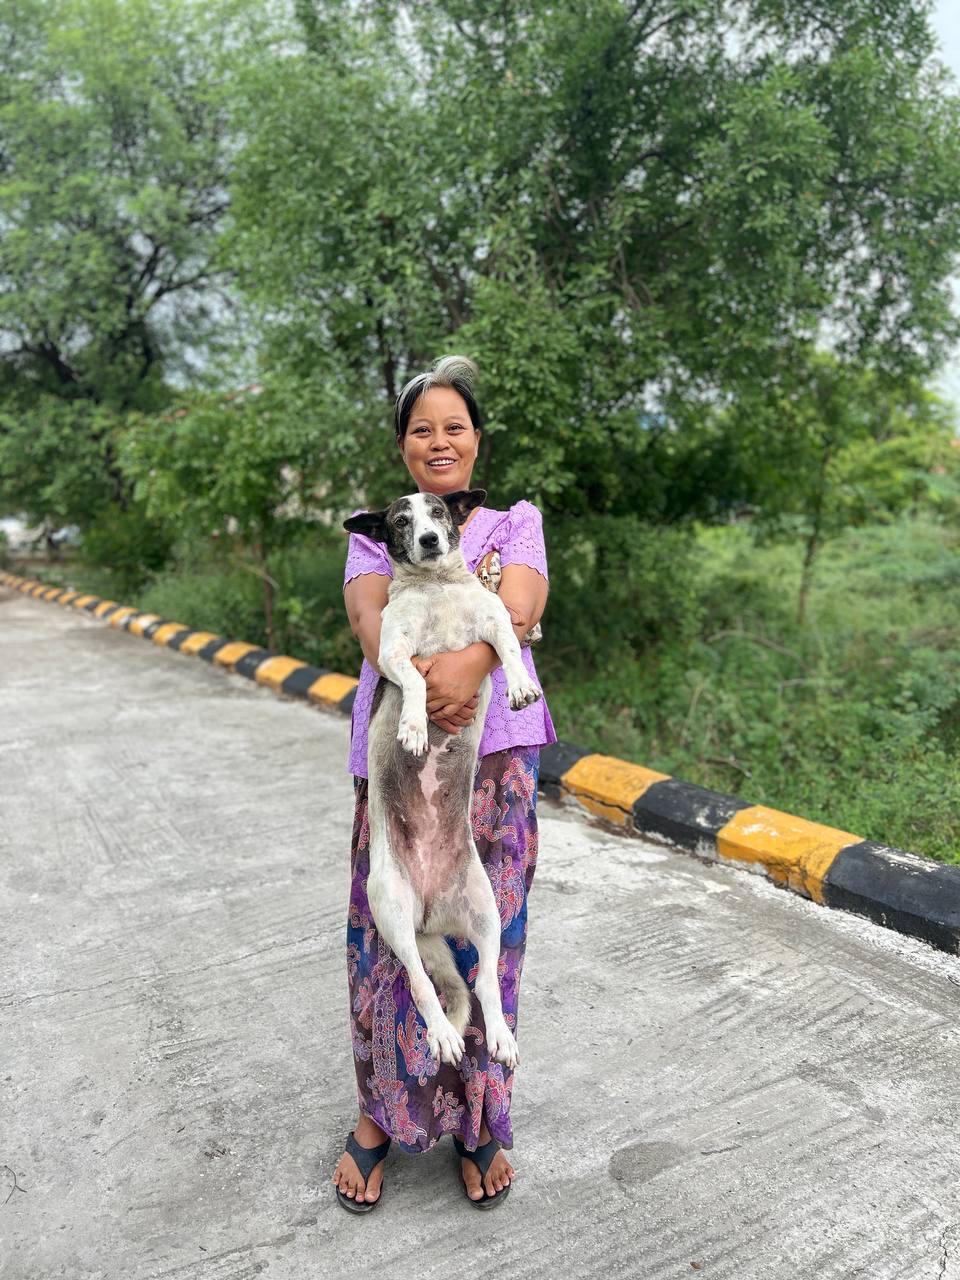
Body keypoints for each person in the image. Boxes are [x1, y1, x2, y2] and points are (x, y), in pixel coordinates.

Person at [332, 354, 557, 1211]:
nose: (439, 441)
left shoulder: (513, 521)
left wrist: (467, 673)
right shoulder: (374, 534)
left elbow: (520, 609)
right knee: (387, 939)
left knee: (490, 935)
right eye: (421, 429)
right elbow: (371, 624)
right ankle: (380, 1118)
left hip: (494, 763)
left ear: (475, 441)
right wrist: (435, 688)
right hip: (398, 760)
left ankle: (479, 1122)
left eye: (453, 427)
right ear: (402, 446)